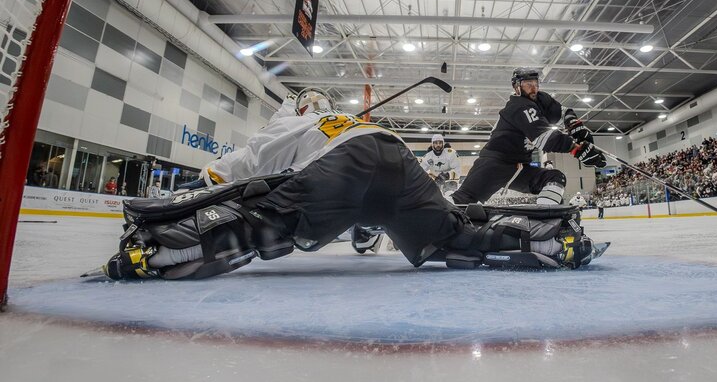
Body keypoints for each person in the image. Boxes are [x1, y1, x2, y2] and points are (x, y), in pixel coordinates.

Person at [98, 88, 600, 280]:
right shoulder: (338, 119)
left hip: (347, 167)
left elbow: (237, 169)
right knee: (452, 234)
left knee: (265, 221)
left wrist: (195, 188)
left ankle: (156, 249)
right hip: (394, 155)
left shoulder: (289, 121)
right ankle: (551, 237)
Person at [451, 68, 606, 206]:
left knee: (555, 178)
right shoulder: (519, 106)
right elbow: (544, 138)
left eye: (535, 84)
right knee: (461, 201)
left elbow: (564, 111)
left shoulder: (541, 100)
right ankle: (434, 221)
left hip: (519, 169)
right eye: (528, 84)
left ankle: (544, 216)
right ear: (516, 87)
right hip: (493, 165)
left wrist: (574, 125)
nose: (534, 89)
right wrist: (576, 149)